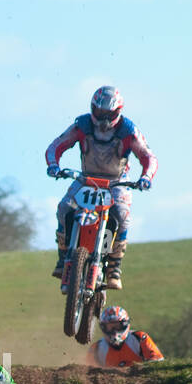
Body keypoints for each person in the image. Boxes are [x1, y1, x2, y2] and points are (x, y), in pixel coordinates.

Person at [45, 85, 157, 287]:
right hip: (86, 178)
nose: (104, 119)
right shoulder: (83, 125)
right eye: (100, 112)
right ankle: (63, 257)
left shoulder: (128, 130)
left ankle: (114, 265)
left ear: (118, 112)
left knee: (122, 216)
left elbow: (148, 156)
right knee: (64, 208)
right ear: (92, 109)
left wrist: (146, 177)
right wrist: (54, 165)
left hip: (117, 182)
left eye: (109, 114)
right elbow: (56, 145)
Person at [88, 305, 163, 369]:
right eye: (110, 327)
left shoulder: (139, 338)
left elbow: (157, 362)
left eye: (117, 326)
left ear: (125, 324)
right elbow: (86, 374)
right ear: (103, 327)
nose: (114, 331)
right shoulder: (96, 349)